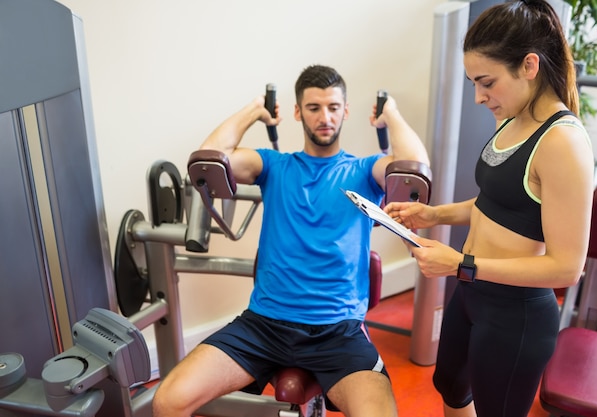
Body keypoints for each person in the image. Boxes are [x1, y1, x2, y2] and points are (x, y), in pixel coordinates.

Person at [152, 64, 430, 417]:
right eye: (313, 108)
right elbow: (209, 159)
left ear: (345, 111)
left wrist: (390, 113)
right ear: (298, 112)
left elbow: (413, 165)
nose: (324, 117)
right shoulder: (273, 165)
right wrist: (256, 109)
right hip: (263, 325)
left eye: (333, 107)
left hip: (338, 332)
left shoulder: (365, 171)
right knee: (167, 401)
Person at [384, 1, 594, 416]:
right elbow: (497, 202)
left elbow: (567, 268)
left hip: (514, 314)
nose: (479, 97)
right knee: (452, 390)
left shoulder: (563, 144)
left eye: (487, 82)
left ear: (529, 65)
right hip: (471, 292)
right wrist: (436, 215)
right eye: (473, 84)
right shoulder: (514, 118)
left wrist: (462, 264)